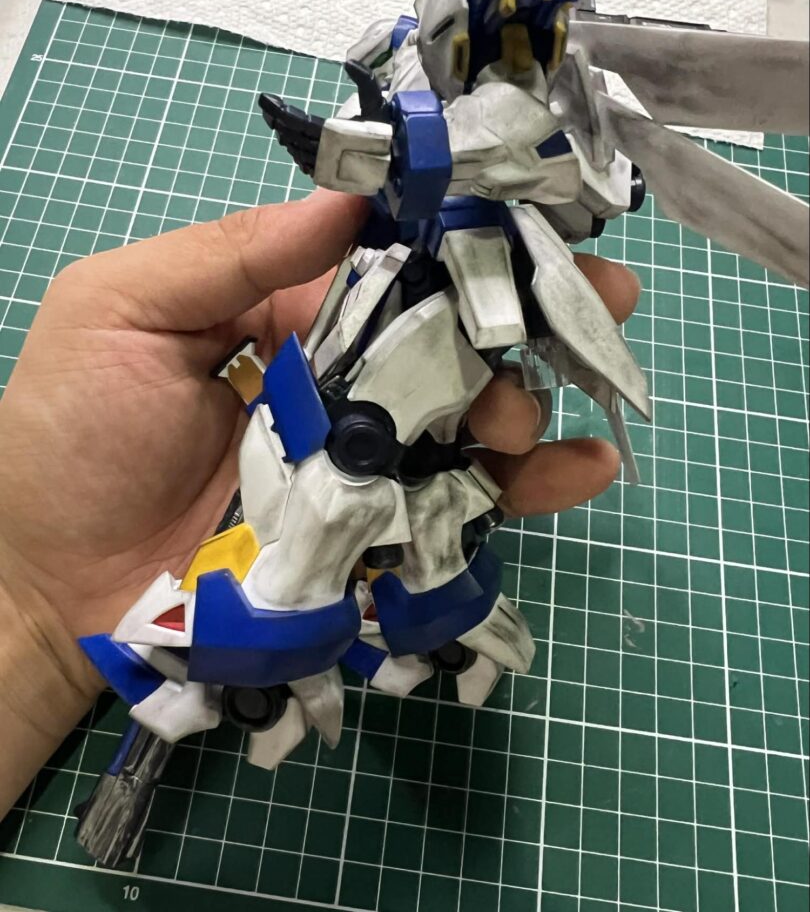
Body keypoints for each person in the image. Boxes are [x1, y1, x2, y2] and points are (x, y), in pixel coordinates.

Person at [0, 188, 641, 818]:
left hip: (386, 432)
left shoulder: (492, 252)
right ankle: (242, 651)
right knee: (348, 500)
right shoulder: (418, 235)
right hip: (340, 442)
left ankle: (399, 619)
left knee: (431, 502)